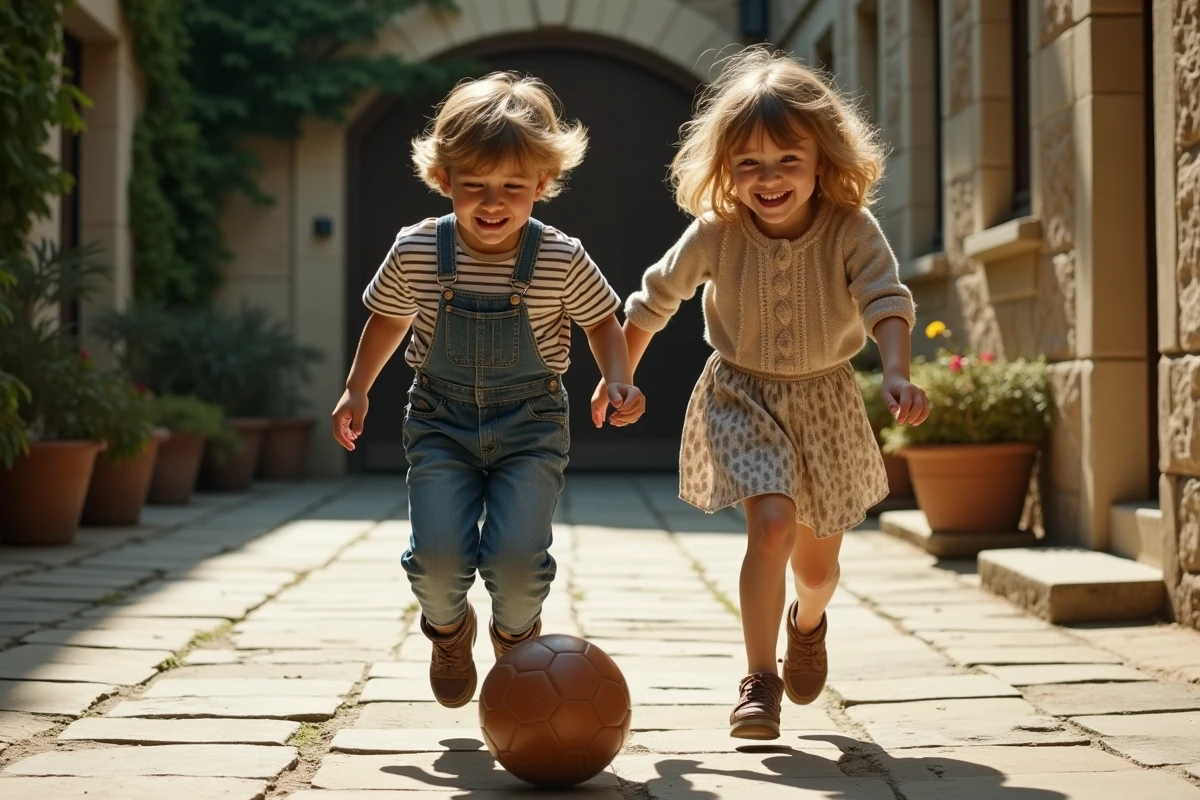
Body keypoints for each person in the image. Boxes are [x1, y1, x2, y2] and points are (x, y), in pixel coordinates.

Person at [593, 46, 929, 739]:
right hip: (742, 394)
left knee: (817, 569)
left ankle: (808, 623)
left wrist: (896, 370)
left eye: (787, 161)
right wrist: (619, 375)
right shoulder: (717, 231)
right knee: (771, 525)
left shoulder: (850, 228)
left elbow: (885, 298)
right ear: (726, 166)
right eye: (749, 163)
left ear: (822, 160)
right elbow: (654, 300)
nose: (769, 178)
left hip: (825, 400)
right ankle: (758, 681)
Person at [334, 72, 645, 709]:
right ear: (443, 178)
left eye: (512, 186)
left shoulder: (561, 257)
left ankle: (516, 642)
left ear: (543, 183)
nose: (493, 202)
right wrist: (357, 388)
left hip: (531, 425)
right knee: (437, 561)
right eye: (474, 184)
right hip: (440, 421)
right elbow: (388, 319)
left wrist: (617, 378)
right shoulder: (418, 250)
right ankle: (450, 632)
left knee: (517, 564)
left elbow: (601, 322)